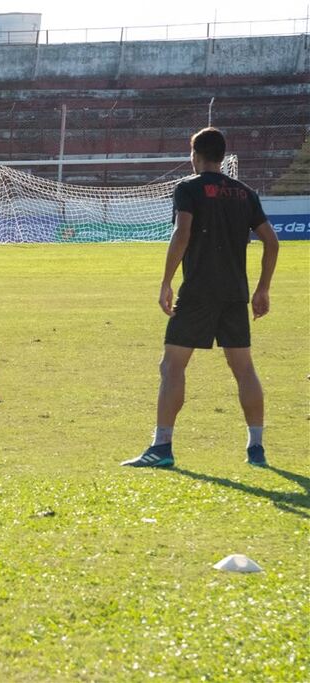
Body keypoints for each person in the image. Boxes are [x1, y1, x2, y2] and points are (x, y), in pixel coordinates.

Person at [122, 127, 278, 468]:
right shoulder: (245, 193)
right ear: (221, 156)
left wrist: (166, 281)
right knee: (244, 368)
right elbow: (272, 241)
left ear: (195, 154)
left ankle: (162, 447)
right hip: (235, 293)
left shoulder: (188, 188)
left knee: (172, 365)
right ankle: (256, 448)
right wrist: (262, 288)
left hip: (198, 292)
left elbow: (183, 232)